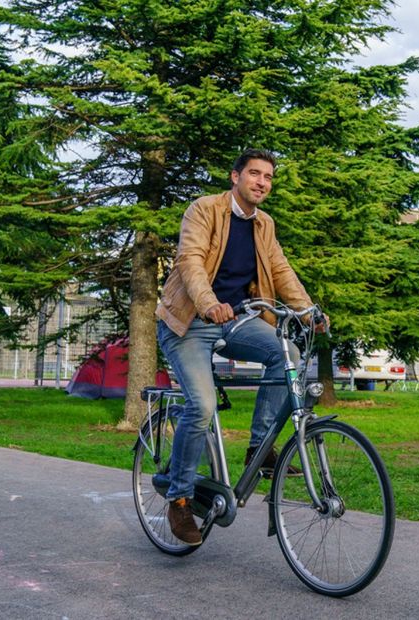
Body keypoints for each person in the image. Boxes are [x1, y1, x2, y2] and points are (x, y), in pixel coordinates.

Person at [155, 148, 326, 545]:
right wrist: (208, 303)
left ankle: (258, 450)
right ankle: (179, 499)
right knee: (202, 405)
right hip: (189, 322)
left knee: (288, 356)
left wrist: (307, 311)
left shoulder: (264, 224)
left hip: (235, 321)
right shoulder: (204, 210)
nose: (261, 182)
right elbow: (191, 261)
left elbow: (281, 270)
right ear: (235, 177)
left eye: (268, 176)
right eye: (254, 173)